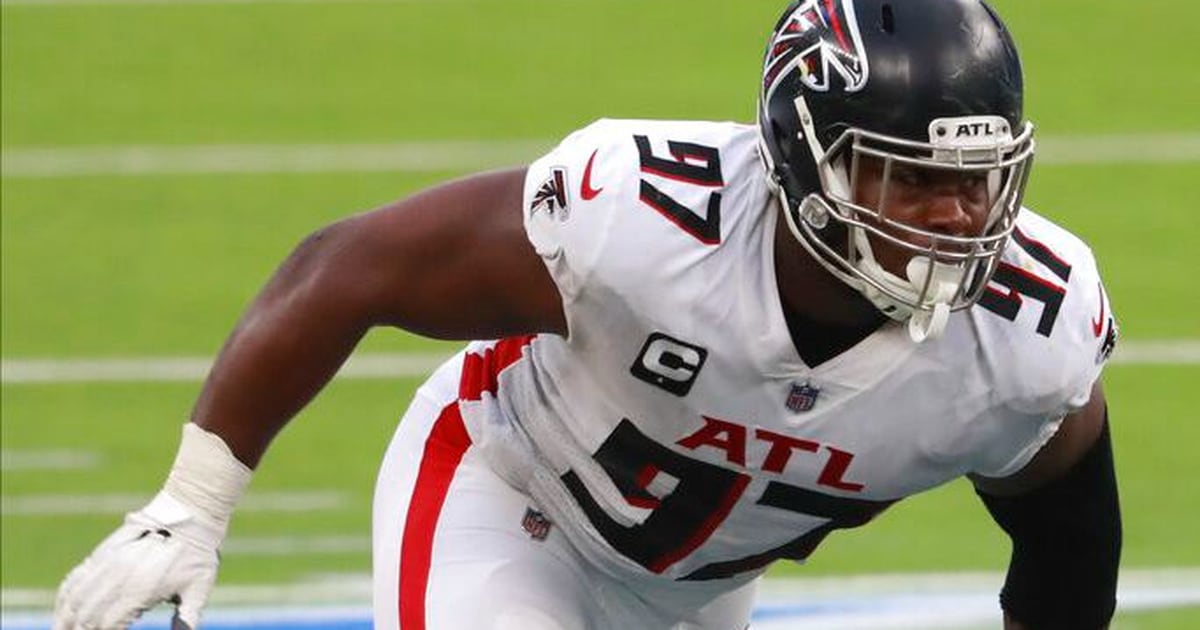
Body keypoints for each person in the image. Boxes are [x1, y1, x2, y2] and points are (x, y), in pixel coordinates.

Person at [53, 0, 1122, 628]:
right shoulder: (649, 223)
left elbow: (1066, 539)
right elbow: (348, 266)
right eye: (906, 180)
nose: (957, 218)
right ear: (806, 156)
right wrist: (193, 502)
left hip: (698, 593)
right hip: (512, 490)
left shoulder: (1026, 341)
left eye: (979, 181)